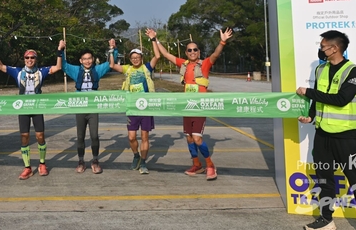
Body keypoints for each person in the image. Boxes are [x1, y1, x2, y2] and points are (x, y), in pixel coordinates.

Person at [297, 30, 356, 230]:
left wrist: (308, 91)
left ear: (335, 48)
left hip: (345, 137)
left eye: (323, 46)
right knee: (324, 179)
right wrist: (311, 116)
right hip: (323, 135)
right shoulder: (320, 69)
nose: (321, 50)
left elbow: (341, 100)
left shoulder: (354, 72)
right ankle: (326, 219)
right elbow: (318, 100)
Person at [155, 27, 233, 180]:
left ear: (199, 52)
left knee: (197, 138)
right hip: (187, 106)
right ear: (186, 52)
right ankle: (196, 165)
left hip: (199, 106)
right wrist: (155, 39)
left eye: (195, 50)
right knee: (189, 137)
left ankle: (210, 165)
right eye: (189, 50)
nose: (192, 52)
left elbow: (215, 54)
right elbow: (166, 54)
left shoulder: (205, 64)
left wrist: (222, 41)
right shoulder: (183, 64)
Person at [0, 40, 65, 180]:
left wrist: (60, 51)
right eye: (27, 57)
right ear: (24, 59)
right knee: (24, 137)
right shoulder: (18, 71)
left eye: (32, 57)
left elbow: (58, 67)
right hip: (23, 108)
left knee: (40, 136)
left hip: (37, 108)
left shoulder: (41, 72)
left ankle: (42, 164)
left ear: (36, 59)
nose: (29, 60)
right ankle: (27, 167)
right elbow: (0, 67)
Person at [61, 40, 118, 174]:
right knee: (80, 136)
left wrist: (113, 49)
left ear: (93, 59)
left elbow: (111, 63)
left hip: (93, 108)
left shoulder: (97, 70)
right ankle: (81, 161)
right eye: (85, 59)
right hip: (80, 107)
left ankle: (95, 160)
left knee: (94, 136)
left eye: (89, 58)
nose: (87, 61)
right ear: (80, 61)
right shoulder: (76, 70)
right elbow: (63, 65)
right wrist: (61, 50)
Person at [109, 29, 160, 174]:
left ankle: (143, 162)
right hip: (132, 108)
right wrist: (112, 49)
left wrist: (153, 39)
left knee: (144, 136)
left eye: (138, 57)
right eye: (133, 58)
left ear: (141, 58)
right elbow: (112, 65)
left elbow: (157, 56)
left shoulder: (147, 68)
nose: (135, 59)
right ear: (130, 59)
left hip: (146, 108)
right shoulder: (127, 69)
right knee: (131, 137)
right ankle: (136, 156)